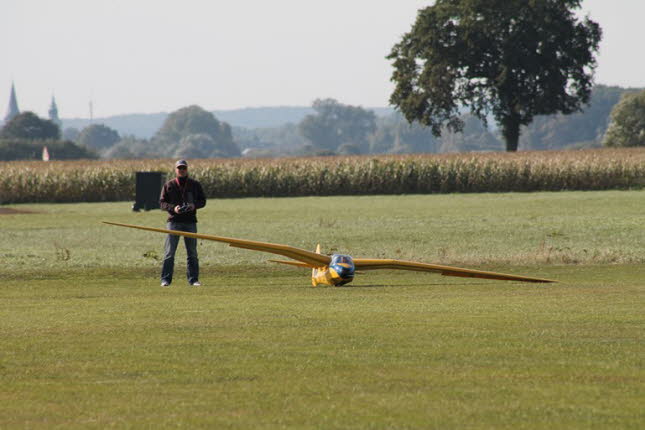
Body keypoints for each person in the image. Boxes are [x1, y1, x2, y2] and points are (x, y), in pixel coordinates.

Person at [159, 160, 206, 287]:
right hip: (173, 222)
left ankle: (193, 280)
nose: (182, 170)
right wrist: (174, 208)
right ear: (175, 170)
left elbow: (203, 201)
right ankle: (165, 280)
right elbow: (162, 203)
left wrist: (193, 206)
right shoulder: (169, 185)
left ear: (187, 169)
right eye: (179, 168)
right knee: (169, 253)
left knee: (192, 253)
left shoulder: (195, 184)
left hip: (190, 222)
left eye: (184, 168)